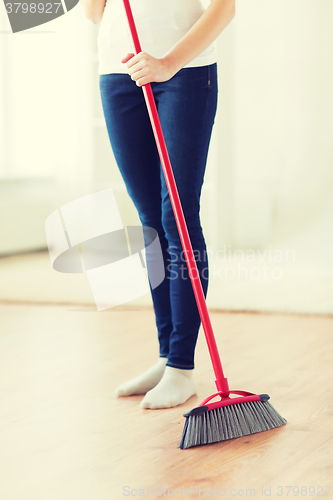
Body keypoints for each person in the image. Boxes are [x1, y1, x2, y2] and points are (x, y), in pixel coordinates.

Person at [80, 0, 236, 409]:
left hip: (185, 72)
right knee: (150, 218)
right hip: (119, 71)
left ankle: (182, 367)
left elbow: (224, 9)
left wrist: (167, 63)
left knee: (177, 215)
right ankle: (168, 355)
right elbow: (94, 13)